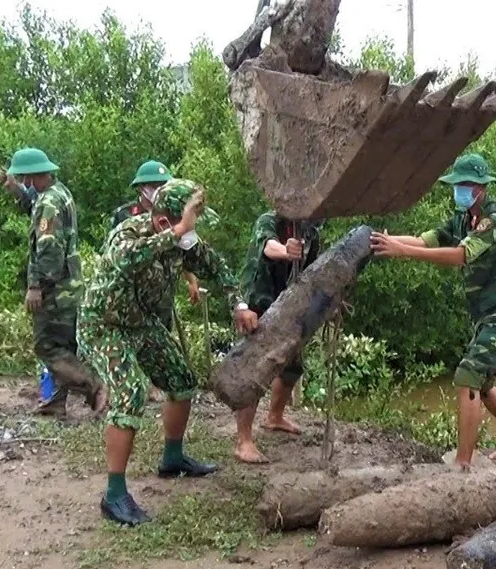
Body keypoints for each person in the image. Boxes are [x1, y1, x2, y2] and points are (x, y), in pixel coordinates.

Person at [77, 178, 258, 526]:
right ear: (164, 221)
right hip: (103, 325)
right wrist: (175, 233)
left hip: (141, 323)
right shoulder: (128, 234)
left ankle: (172, 459)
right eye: (193, 218)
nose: (196, 228)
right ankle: (114, 495)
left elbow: (215, 265)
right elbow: (125, 261)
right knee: (130, 393)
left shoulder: (182, 240)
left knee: (181, 379)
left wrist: (239, 303)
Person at [369, 153, 496, 470]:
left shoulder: (495, 218)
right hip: (489, 314)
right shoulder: (461, 219)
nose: (458, 189)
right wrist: (386, 241)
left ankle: (462, 464)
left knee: (468, 375)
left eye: (464, 184)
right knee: (483, 385)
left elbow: (462, 255)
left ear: (481, 188)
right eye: (456, 184)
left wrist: (403, 252)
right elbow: (424, 239)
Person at [0, 147, 105, 417]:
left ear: (32, 176)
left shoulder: (48, 203)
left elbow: (48, 249)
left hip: (56, 289)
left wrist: (36, 286)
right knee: (65, 345)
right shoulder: (59, 193)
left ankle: (95, 387)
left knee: (46, 345)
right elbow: (34, 208)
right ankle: (57, 402)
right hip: (70, 285)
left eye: (24, 178)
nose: (24, 182)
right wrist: (17, 193)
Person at [232, 211, 324, 464]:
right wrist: (286, 250)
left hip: (287, 303)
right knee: (255, 370)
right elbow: (268, 247)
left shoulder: (311, 232)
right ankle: (244, 441)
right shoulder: (268, 220)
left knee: (292, 367)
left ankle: (274, 417)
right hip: (258, 302)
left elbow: (311, 272)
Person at [113, 160, 202, 403]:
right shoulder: (124, 216)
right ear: (141, 189)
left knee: (161, 332)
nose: (158, 190)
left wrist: (191, 281)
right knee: (126, 336)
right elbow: (115, 254)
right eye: (153, 186)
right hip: (130, 289)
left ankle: (155, 384)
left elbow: (184, 250)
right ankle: (123, 384)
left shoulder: (173, 214)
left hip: (160, 288)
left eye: (162, 185)